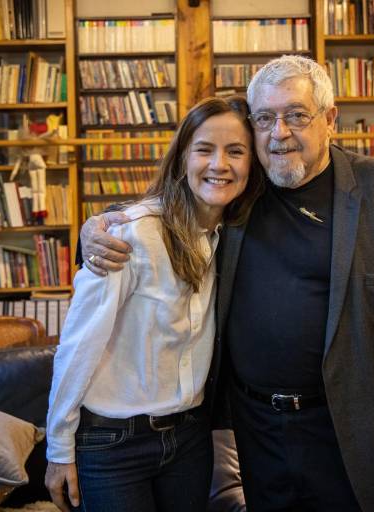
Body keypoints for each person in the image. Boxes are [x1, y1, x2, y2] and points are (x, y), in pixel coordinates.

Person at [80, 55, 374, 512]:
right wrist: (99, 227)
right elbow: (166, 208)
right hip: (258, 431)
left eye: (297, 115)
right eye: (264, 119)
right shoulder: (239, 187)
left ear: (330, 120)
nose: (279, 132)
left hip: (355, 429)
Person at [45, 96, 263, 512]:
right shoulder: (130, 235)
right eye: (204, 149)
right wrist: (58, 447)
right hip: (113, 441)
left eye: (235, 151)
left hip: (189, 438)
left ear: (252, 164)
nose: (219, 164)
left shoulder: (231, 235)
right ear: (182, 159)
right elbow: (78, 345)